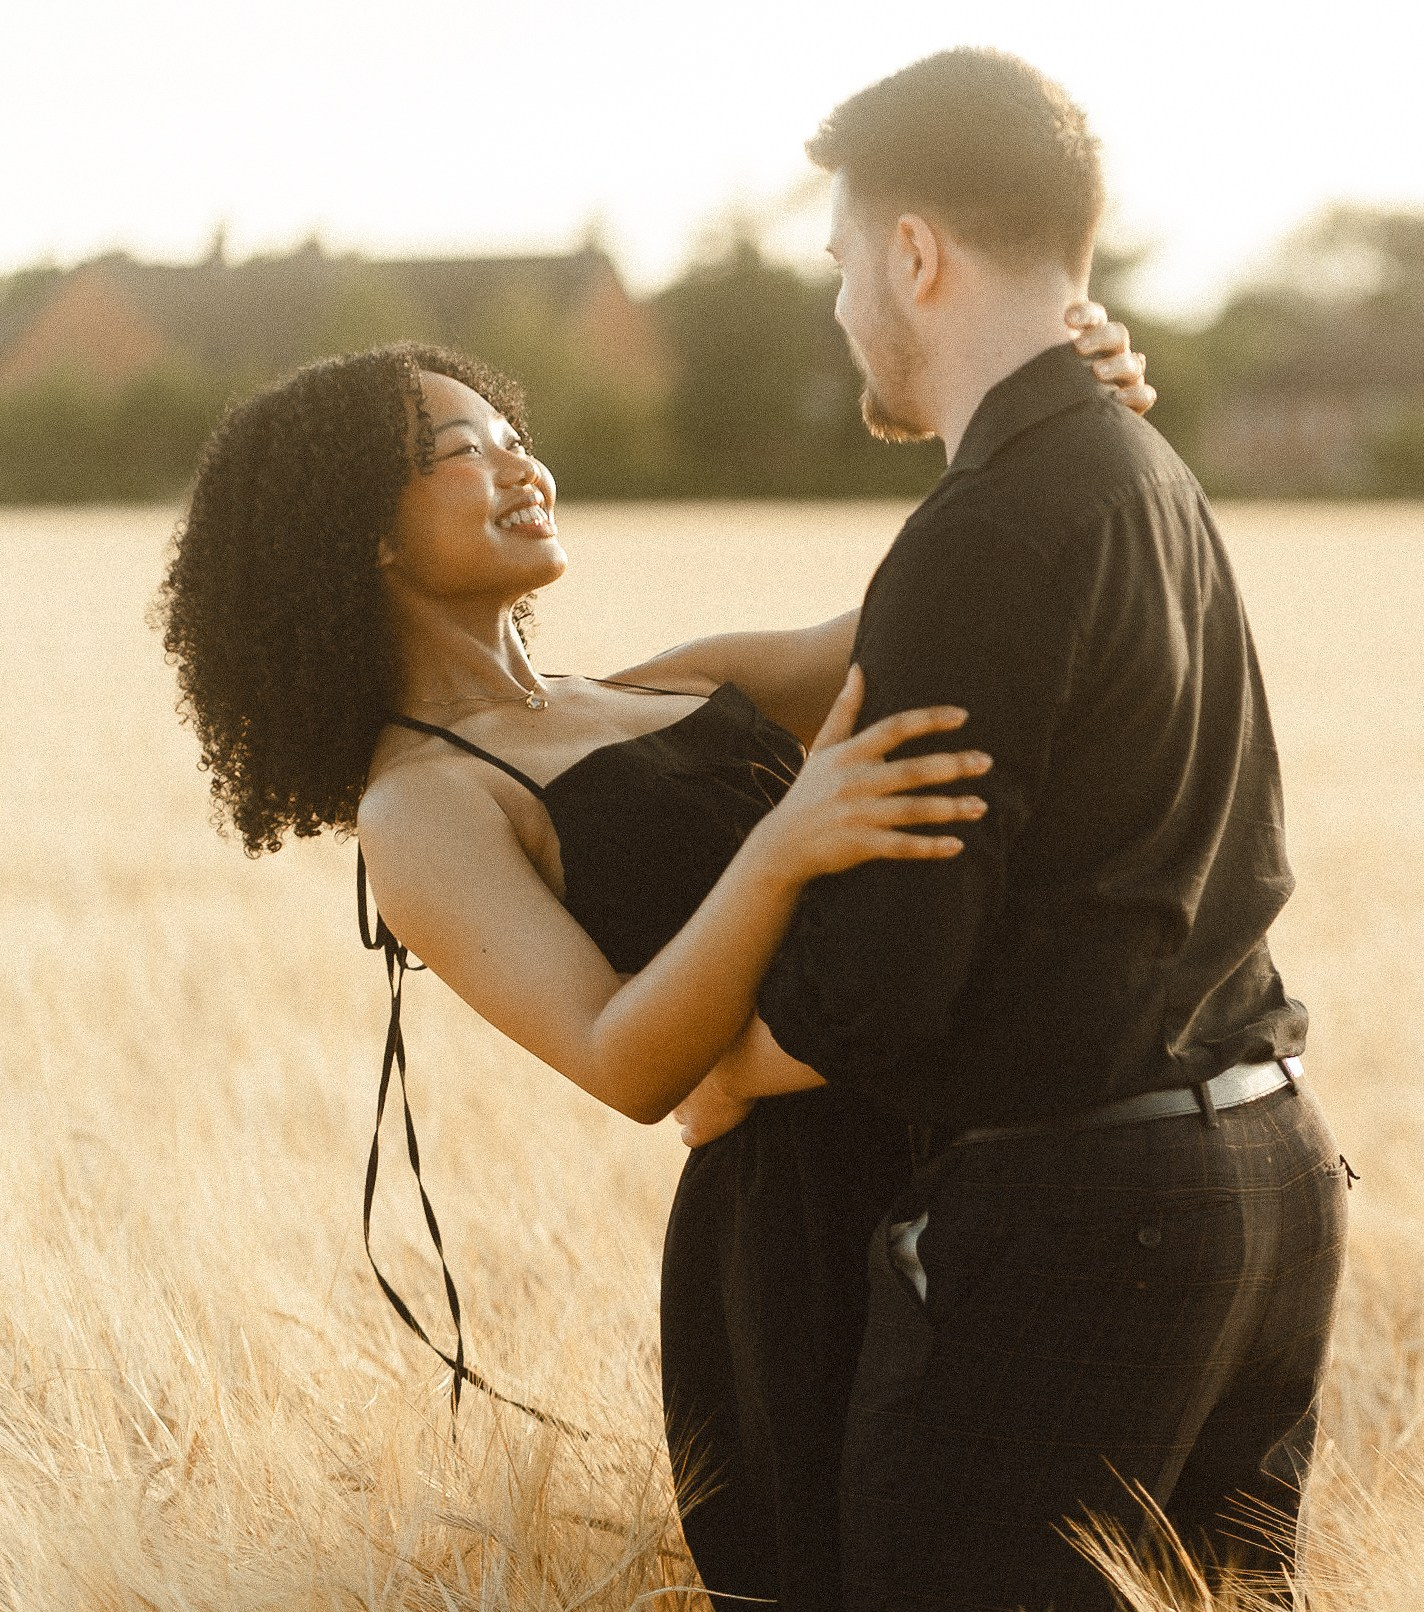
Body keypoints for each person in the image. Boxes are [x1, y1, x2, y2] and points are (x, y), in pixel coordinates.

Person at [153, 312, 1157, 1611]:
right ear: (365, 530)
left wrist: (1064, 433)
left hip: (982, 1169)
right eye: (464, 450)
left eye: (516, 436)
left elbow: (961, 603)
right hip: (808, 1234)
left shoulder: (681, 684)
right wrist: (782, 847)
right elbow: (623, 1061)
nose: (524, 466)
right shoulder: (424, 808)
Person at [705, 50, 1350, 1611]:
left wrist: (705, 1059)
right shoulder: (1142, 470)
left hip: (1086, 1224)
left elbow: (888, 978)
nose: (841, 307)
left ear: (913, 253)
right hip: (1267, 1178)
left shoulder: (990, 531)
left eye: (841, 264)